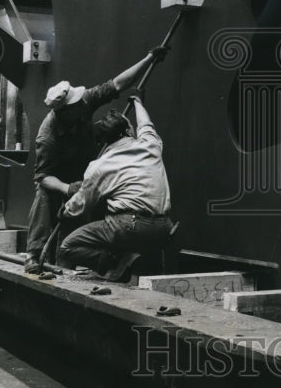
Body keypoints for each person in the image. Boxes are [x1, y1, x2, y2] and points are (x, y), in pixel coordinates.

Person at [25, 50, 166, 274]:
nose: (82, 104)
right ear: (64, 112)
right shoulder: (47, 136)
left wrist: (149, 58)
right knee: (43, 196)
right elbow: (42, 176)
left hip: (90, 173)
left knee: (93, 205)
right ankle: (34, 253)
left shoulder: (83, 101)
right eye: (75, 105)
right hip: (58, 179)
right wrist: (67, 188)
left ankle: (85, 259)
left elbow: (117, 84)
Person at [57, 93, 173, 281]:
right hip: (163, 229)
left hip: (129, 229)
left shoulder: (100, 166)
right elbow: (146, 123)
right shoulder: (151, 144)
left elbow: (81, 204)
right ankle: (131, 262)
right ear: (128, 130)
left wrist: (64, 211)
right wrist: (137, 102)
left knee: (67, 247)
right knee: (120, 223)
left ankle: (117, 261)